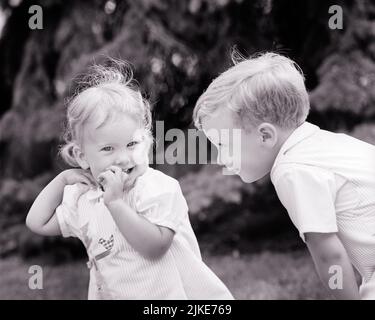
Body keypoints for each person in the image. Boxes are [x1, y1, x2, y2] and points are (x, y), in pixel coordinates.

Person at [26, 61, 233, 300]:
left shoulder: (157, 188)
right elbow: (37, 222)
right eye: (107, 148)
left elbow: (155, 248)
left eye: (132, 144)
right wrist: (62, 181)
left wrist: (115, 204)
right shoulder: (86, 199)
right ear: (82, 157)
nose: (123, 158)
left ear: (145, 141)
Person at [193, 51, 375, 299]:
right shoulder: (328, 146)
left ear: (265, 136)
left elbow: (328, 255)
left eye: (223, 145)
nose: (219, 158)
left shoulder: (293, 169)